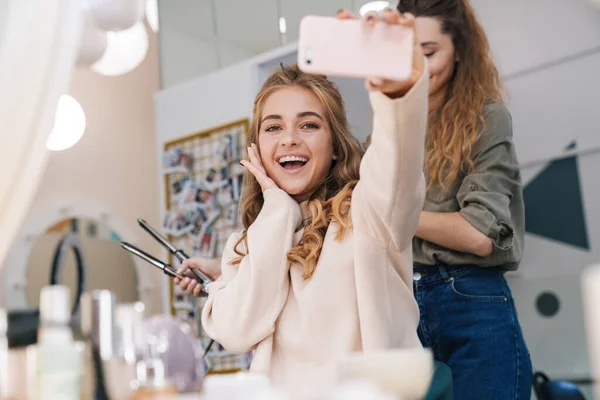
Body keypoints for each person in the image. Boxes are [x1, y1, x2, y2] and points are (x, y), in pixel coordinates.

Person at [175, 10, 429, 394]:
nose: (289, 138)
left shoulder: (367, 214)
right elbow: (237, 331)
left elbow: (399, 170)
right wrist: (277, 207)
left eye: (309, 124)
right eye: (273, 127)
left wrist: (397, 95)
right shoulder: (242, 247)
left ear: (335, 147)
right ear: (257, 148)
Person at [392, 0, 532, 399]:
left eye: (429, 52)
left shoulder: (487, 118)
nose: (416, 65)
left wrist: (391, 214)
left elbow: (477, 234)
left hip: (473, 300)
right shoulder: (390, 131)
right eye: (405, 53)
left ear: (460, 51)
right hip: (404, 305)